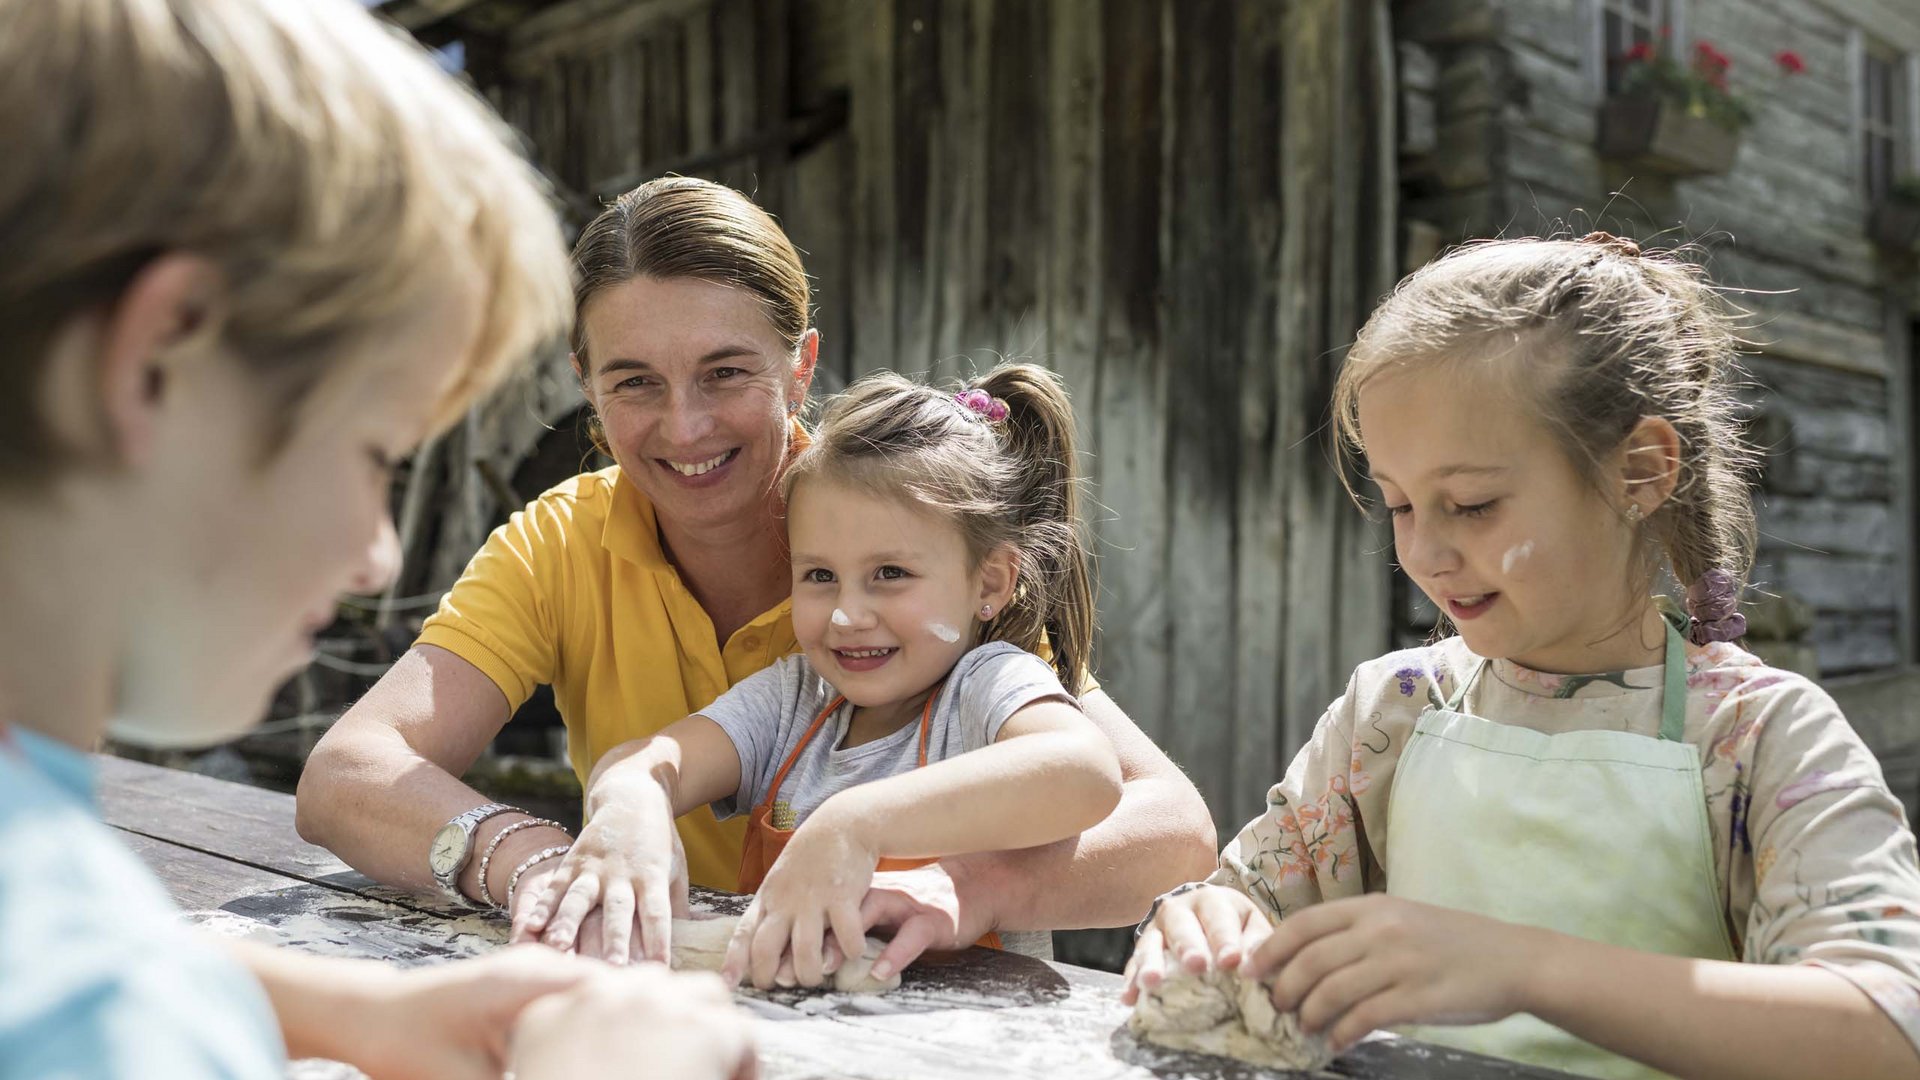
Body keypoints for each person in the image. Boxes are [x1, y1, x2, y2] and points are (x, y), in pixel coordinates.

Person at [0, 1, 751, 1077]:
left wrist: (351, 1012)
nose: (378, 559)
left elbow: (102, 963)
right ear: (155, 364)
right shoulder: (83, 1015)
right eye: (375, 454)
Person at [295, 178, 1217, 968]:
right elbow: (347, 776)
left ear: (799, 365)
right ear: (586, 383)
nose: (685, 427)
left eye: (724, 372)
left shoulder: (914, 528)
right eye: (635, 382)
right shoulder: (559, 545)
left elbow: (1168, 825)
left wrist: (960, 886)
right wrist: (548, 859)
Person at [1124, 235, 1920, 1080]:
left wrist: (1522, 968)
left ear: (1639, 471)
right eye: (1398, 504)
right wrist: (1202, 920)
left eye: (1471, 504)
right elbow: (1246, 904)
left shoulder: (1758, 736)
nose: (1424, 551)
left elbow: (1884, 1031)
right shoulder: (1393, 710)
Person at [520, 365, 1124, 988]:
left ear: (990, 583)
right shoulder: (794, 700)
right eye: (819, 575)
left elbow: (1085, 774)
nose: (846, 614)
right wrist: (632, 801)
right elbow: (646, 762)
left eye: (890, 573)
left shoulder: (988, 687)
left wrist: (855, 823)